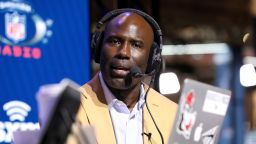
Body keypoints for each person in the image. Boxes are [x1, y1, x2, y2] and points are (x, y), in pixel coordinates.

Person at [67, 8, 177, 144]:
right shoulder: (70, 109)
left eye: (136, 45)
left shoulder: (173, 114)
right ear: (99, 47)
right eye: (115, 41)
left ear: (152, 59)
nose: (123, 53)